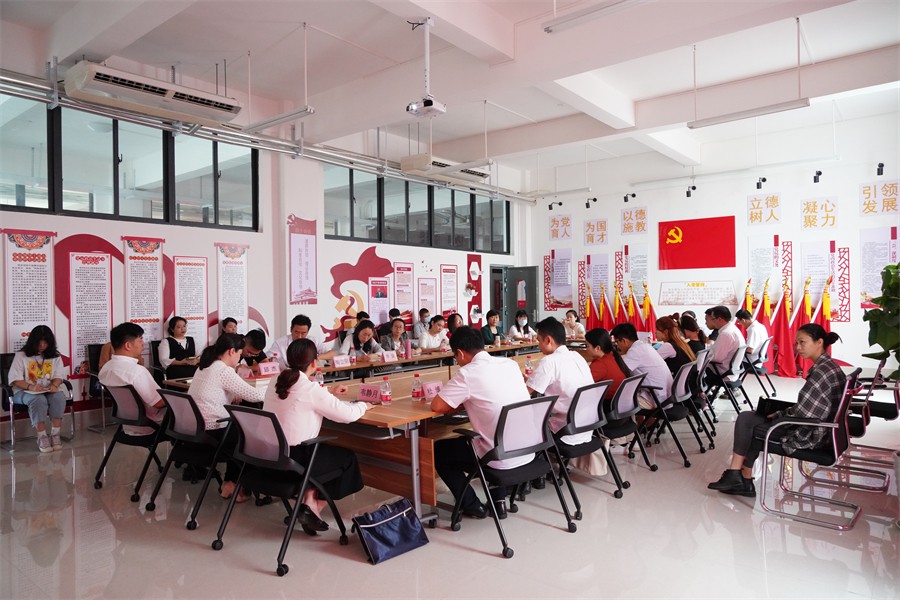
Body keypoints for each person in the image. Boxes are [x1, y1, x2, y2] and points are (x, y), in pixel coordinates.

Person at [708, 324, 847, 498]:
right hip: (823, 428)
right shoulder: (828, 366)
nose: (798, 348)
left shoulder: (821, 372)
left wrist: (780, 414)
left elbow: (805, 413)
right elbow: (808, 407)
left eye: (802, 342)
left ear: (819, 342)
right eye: (796, 343)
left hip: (809, 433)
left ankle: (739, 477)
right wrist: (780, 412)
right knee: (749, 418)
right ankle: (740, 477)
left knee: (747, 423)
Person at [264, 338, 373, 533]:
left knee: (324, 455)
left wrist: (328, 392)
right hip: (295, 462)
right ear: (314, 362)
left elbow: (302, 398)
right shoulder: (310, 389)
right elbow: (347, 415)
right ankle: (313, 507)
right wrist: (363, 405)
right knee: (347, 459)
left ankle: (309, 503)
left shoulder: (276, 380)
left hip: (269, 458)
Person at [431, 326, 534, 519]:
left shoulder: (467, 373)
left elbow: (437, 405)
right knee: (494, 432)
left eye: (455, 357)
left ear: (460, 353)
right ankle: (498, 502)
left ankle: (471, 505)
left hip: (500, 456)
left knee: (439, 451)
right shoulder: (509, 364)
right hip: (528, 449)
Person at [188, 334, 266, 503]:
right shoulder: (223, 370)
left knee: (239, 432)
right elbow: (255, 396)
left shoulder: (205, 366)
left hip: (195, 431)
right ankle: (235, 486)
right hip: (214, 431)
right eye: (239, 354)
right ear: (231, 351)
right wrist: (273, 388)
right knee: (250, 437)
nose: (239, 359)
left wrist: (233, 393)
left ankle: (230, 483)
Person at [526, 318, 595, 449]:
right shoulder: (577, 356)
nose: (538, 345)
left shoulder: (549, 361)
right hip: (587, 427)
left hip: (565, 432)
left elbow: (526, 393)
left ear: (548, 340)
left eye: (539, 340)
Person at [98, 323, 166, 436]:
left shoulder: (106, 368)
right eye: (140, 340)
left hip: (127, 423)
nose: (143, 343)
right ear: (128, 345)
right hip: (151, 425)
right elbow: (158, 403)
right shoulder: (137, 372)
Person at [8, 326, 68, 453]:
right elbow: (15, 380)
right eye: (39, 343)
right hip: (23, 391)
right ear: (32, 342)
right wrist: (31, 387)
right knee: (38, 399)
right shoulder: (21, 356)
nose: (42, 346)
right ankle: (42, 437)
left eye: (45, 343)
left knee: (58, 397)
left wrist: (54, 385)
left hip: (47, 390)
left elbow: (59, 376)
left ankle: (55, 434)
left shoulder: (55, 356)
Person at [610, 323, 673, 408]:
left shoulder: (635, 351)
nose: (617, 346)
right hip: (666, 396)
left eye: (617, 342)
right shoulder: (644, 346)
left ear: (624, 341)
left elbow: (618, 372)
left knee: (614, 401)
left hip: (656, 399)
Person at [269, 314, 336, 369]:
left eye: (303, 333)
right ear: (291, 329)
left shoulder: (313, 341)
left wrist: (315, 357)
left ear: (308, 331)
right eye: (296, 332)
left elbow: (333, 354)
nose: (299, 336)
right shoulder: (280, 343)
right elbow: (267, 359)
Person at [584, 328, 631, 403]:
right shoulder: (612, 356)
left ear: (597, 348)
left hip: (607, 404)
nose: (587, 349)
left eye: (587, 346)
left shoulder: (601, 364)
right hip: (620, 402)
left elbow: (582, 383)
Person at [705, 305, 745, 380]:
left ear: (720, 319)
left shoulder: (726, 334)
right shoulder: (732, 328)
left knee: (694, 368)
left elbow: (716, 359)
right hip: (732, 370)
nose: (712, 322)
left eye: (713, 319)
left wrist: (703, 356)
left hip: (722, 372)